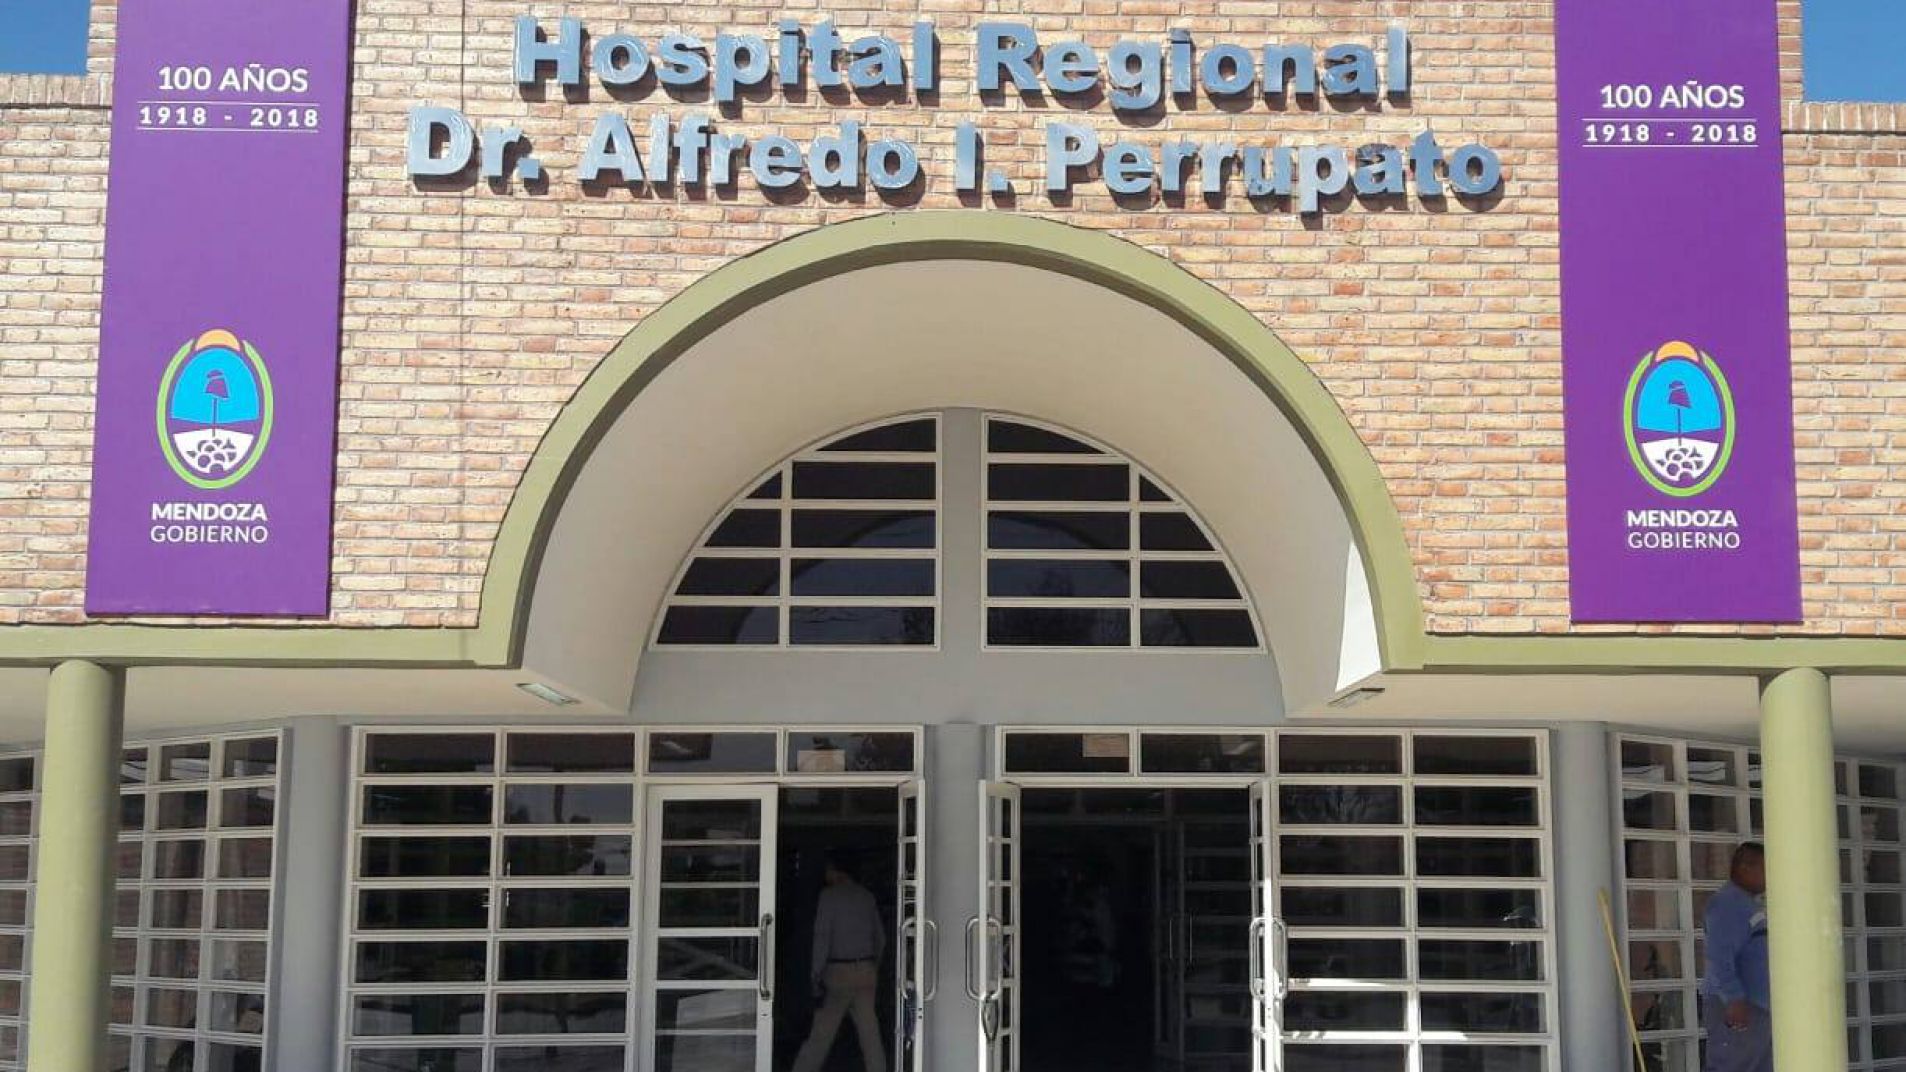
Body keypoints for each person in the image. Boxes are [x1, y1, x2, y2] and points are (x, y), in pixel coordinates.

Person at [791, 852, 887, 1072]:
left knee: (821, 1036)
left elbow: (822, 937)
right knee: (870, 1036)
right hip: (866, 970)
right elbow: (880, 938)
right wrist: (873, 966)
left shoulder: (829, 897)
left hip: (837, 973)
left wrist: (815, 976)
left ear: (835, 870)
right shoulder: (866, 896)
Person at [1702, 841, 1770, 1072]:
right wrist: (1733, 998)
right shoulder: (1727, 904)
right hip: (1738, 1007)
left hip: (1756, 1008)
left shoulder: (1748, 904)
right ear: (1745, 868)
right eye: (1765, 868)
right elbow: (1719, 956)